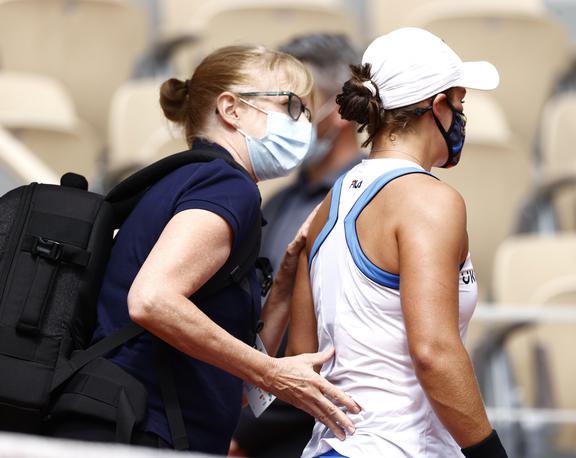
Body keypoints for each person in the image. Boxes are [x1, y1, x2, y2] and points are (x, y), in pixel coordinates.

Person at [46, 45, 360, 455]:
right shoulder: (226, 187)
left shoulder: (188, 177)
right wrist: (272, 373)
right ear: (231, 109)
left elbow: (236, 372)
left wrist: (282, 282)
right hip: (137, 430)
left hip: (123, 424)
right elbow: (153, 300)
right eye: (292, 107)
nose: (303, 124)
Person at [287, 28, 509, 458]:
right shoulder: (430, 199)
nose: (462, 117)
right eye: (460, 104)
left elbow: (302, 352)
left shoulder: (331, 199)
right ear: (438, 105)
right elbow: (433, 351)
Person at [232, 33, 364, 458]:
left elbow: (330, 347)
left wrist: (244, 437)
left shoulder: (362, 201)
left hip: (322, 432)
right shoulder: (277, 200)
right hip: (258, 414)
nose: (278, 120)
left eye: (296, 105)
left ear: (341, 109)